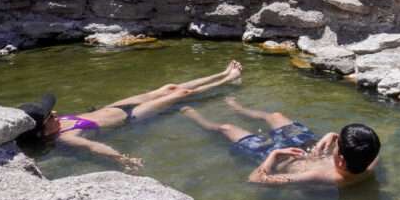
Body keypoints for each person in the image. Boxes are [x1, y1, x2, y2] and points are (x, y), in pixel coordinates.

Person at [17, 60, 243, 172]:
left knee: (170, 87)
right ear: (43, 130)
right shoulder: (64, 137)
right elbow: (93, 148)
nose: (55, 112)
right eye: (49, 116)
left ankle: (221, 72)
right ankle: (228, 79)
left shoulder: (55, 125)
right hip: (131, 116)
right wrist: (122, 159)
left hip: (115, 106)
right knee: (181, 94)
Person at [180, 96, 380, 187]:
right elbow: (371, 146)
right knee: (275, 115)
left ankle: (197, 118)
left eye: (337, 146)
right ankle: (240, 110)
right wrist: (332, 135)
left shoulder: (319, 175)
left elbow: (256, 180)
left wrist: (273, 156)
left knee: (226, 128)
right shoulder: (369, 160)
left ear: (342, 160)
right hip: (305, 141)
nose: (335, 144)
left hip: (275, 156)